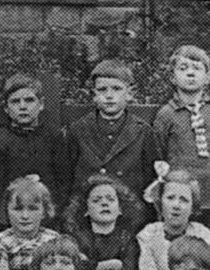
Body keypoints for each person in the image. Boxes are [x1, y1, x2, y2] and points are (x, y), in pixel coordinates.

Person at [153, 45, 210, 229]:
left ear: (207, 77)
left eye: (197, 68)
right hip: (181, 195)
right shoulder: (166, 114)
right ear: (173, 77)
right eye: (183, 68)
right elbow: (158, 153)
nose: (190, 73)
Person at [64, 59, 159, 200]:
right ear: (94, 95)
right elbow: (65, 176)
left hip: (130, 209)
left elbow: (152, 179)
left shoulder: (143, 131)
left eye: (116, 89)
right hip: (89, 208)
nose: (109, 95)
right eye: (102, 89)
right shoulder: (78, 130)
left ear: (130, 93)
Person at [0, 73, 65, 228]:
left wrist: (53, 215)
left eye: (29, 100)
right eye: (15, 101)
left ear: (40, 104)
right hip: (12, 222)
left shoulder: (54, 137)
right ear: (6, 108)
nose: (22, 106)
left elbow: (63, 182)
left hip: (48, 221)